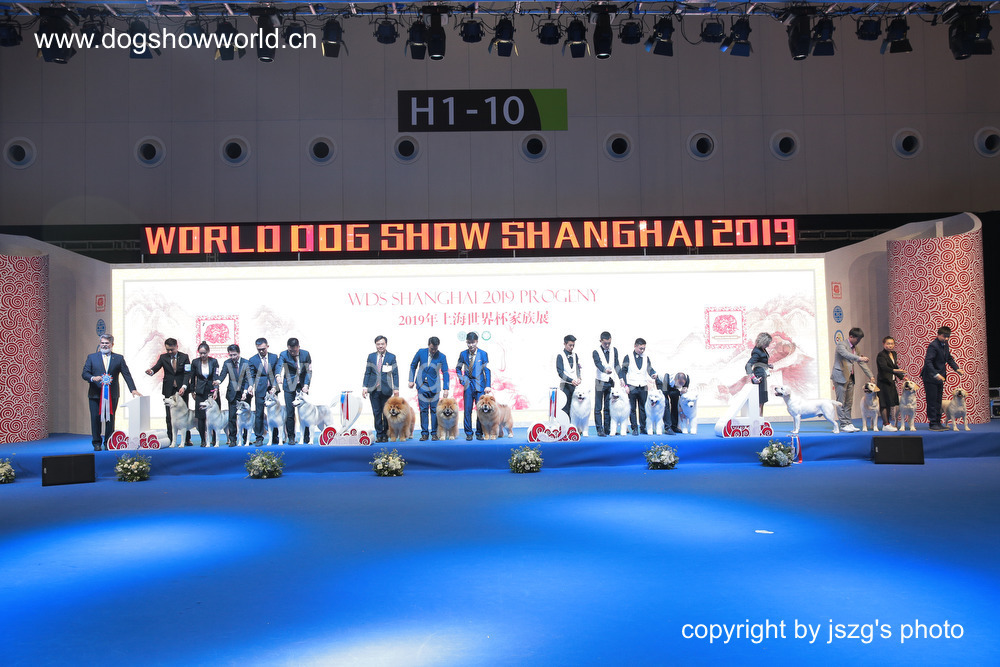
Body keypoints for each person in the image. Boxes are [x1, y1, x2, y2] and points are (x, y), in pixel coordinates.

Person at [82, 334, 141, 451]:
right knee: (95, 418)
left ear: (112, 344)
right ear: (100, 344)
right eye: (102, 343)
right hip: (95, 394)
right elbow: (85, 373)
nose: (104, 345)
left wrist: (133, 389)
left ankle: (109, 442)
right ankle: (97, 443)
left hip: (112, 394)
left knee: (110, 418)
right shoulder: (92, 357)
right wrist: (93, 378)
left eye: (107, 343)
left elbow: (126, 374)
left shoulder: (118, 358)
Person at [145, 337, 192, 446]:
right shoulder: (163, 357)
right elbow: (156, 367)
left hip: (182, 389)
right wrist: (151, 371)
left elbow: (187, 373)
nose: (170, 352)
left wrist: (184, 386)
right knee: (169, 415)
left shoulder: (184, 357)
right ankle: (171, 439)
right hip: (169, 389)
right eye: (168, 350)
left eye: (172, 349)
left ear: (177, 347)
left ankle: (187, 439)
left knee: (185, 414)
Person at [921, 326, 964, 431]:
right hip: (930, 377)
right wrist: (936, 374)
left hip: (940, 377)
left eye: (948, 337)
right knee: (932, 401)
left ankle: (938, 422)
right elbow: (928, 362)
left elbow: (949, 358)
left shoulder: (945, 344)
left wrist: (957, 369)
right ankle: (933, 423)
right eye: (944, 336)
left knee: (938, 401)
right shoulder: (933, 345)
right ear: (938, 335)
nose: (946, 339)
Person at [831, 327, 874, 433]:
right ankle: (843, 424)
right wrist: (859, 358)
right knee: (841, 402)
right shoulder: (841, 345)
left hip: (850, 377)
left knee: (849, 402)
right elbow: (847, 355)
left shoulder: (856, 348)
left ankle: (848, 422)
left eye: (860, 339)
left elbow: (861, 363)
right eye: (857, 339)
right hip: (840, 377)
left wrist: (871, 376)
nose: (858, 341)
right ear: (851, 337)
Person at [408, 336, 450, 441]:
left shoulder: (442, 356)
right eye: (432, 348)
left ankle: (434, 433)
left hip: (435, 387)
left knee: (435, 410)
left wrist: (446, 388)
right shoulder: (421, 352)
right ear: (428, 345)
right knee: (423, 410)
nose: (433, 351)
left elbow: (445, 372)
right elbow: (413, 365)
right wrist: (411, 379)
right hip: (422, 385)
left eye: (435, 348)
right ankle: (424, 433)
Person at [454, 331, 492, 441]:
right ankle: (469, 433)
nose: (471, 345)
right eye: (469, 343)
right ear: (466, 342)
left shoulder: (483, 354)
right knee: (467, 410)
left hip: (480, 385)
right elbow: (458, 368)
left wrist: (488, 385)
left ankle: (479, 432)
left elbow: (487, 370)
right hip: (468, 386)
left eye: (473, 342)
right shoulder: (463, 354)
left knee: (480, 410)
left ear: (477, 342)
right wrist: (462, 379)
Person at [362, 335, 399, 443]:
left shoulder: (391, 357)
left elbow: (395, 374)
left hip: (386, 389)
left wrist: (396, 388)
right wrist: (365, 387)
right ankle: (379, 435)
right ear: (376, 345)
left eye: (382, 344)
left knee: (386, 413)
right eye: (378, 344)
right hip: (374, 390)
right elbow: (367, 372)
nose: (380, 346)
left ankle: (386, 435)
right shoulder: (371, 357)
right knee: (377, 413)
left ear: (386, 344)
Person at [277, 337, 313, 445]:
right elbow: (279, 365)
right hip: (289, 386)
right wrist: (278, 375)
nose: (292, 353)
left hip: (302, 385)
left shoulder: (306, 354)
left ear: (299, 347)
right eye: (290, 350)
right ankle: (291, 437)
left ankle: (306, 437)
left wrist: (306, 385)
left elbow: (309, 371)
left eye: (294, 350)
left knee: (306, 412)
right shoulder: (283, 354)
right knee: (290, 413)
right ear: (288, 348)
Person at [184, 341, 220, 446]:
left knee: (214, 415)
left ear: (208, 352)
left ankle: (214, 439)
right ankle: (203, 440)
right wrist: (192, 391)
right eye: (201, 353)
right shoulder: (195, 362)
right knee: (201, 416)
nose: (203, 355)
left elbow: (216, 376)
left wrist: (216, 390)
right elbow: (192, 377)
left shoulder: (214, 361)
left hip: (212, 391)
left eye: (204, 353)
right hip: (200, 391)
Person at [619, 338, 657, 435]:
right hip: (632, 385)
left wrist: (653, 374)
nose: (642, 350)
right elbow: (623, 371)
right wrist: (626, 385)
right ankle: (634, 428)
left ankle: (643, 427)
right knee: (632, 408)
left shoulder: (646, 357)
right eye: (640, 348)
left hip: (643, 385)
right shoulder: (628, 357)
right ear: (635, 346)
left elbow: (649, 368)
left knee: (643, 408)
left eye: (644, 348)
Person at [216, 343, 250, 446]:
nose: (233, 357)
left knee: (246, 417)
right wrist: (218, 381)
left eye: (234, 354)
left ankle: (246, 439)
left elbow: (248, 378)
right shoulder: (227, 363)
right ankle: (232, 439)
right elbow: (222, 374)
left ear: (239, 353)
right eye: (230, 355)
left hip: (244, 393)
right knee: (232, 417)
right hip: (232, 394)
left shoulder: (246, 362)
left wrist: (246, 391)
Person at [247, 337, 279, 446]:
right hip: (260, 389)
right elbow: (251, 375)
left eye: (263, 349)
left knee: (275, 414)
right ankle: (259, 437)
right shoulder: (253, 360)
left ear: (267, 346)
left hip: (272, 390)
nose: (261, 351)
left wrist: (275, 386)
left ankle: (275, 437)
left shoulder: (274, 357)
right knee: (259, 414)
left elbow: (277, 372)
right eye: (259, 349)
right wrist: (250, 386)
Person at [592, 332, 621, 437]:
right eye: (605, 343)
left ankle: (608, 429)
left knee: (608, 406)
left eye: (609, 343)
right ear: (600, 341)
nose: (607, 345)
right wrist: (605, 370)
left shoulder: (614, 350)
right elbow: (598, 364)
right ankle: (600, 429)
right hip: (600, 381)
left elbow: (617, 364)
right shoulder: (596, 351)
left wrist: (621, 378)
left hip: (610, 381)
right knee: (598, 406)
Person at [876, 336, 907, 431]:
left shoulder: (894, 353)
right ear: (883, 344)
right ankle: (885, 424)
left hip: (891, 381)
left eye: (892, 344)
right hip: (883, 382)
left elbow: (894, 366)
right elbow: (884, 367)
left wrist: (902, 377)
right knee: (883, 403)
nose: (890, 346)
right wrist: (895, 370)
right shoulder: (881, 355)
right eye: (888, 344)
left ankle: (887, 424)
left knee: (889, 403)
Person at [745, 333, 772, 417]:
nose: (768, 345)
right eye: (767, 343)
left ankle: (760, 417)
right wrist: (753, 378)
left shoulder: (762, 349)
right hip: (758, 377)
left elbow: (760, 362)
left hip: (763, 375)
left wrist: (767, 365)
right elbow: (748, 365)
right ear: (763, 342)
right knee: (759, 399)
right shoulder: (757, 351)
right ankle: (757, 418)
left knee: (762, 399)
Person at [556, 335, 582, 419]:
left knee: (575, 407)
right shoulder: (560, 355)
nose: (572, 347)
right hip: (565, 385)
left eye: (573, 345)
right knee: (565, 408)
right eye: (570, 345)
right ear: (565, 344)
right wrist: (571, 380)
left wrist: (579, 377)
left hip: (575, 385)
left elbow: (577, 368)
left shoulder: (575, 355)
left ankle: (573, 426)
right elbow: (560, 373)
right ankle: (565, 425)